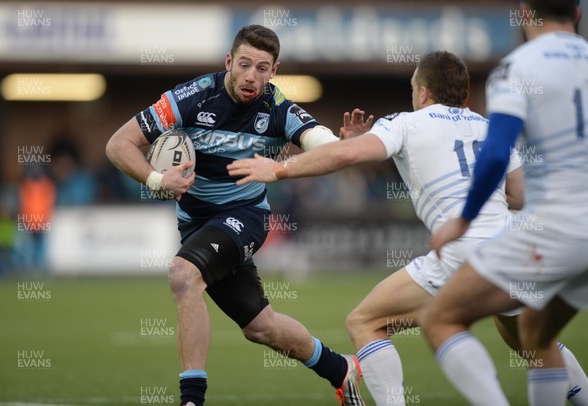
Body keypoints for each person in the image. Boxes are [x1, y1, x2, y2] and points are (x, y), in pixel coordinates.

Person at [227, 50, 588, 405]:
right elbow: (521, 194)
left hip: (463, 250)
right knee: (528, 341)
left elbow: (344, 156)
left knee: (365, 321)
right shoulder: (489, 127)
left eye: (414, 88)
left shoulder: (405, 122)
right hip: (514, 246)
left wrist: (280, 169)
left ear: (424, 92)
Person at [106, 25, 365, 406]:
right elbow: (118, 144)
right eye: (244, 65)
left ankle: (191, 400)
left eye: (262, 68)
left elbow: (318, 141)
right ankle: (340, 369)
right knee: (260, 327)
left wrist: (342, 146)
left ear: (274, 71)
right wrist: (157, 179)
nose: (251, 76)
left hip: (245, 216)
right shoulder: (191, 97)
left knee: (183, 275)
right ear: (229, 62)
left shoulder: (278, 108)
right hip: (197, 224)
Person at [419, 1, 588, 405]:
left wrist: (463, 219)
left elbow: (495, 155)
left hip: (559, 227)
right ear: (578, 13)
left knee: (440, 318)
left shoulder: (516, 68)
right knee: (536, 333)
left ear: (525, 13)